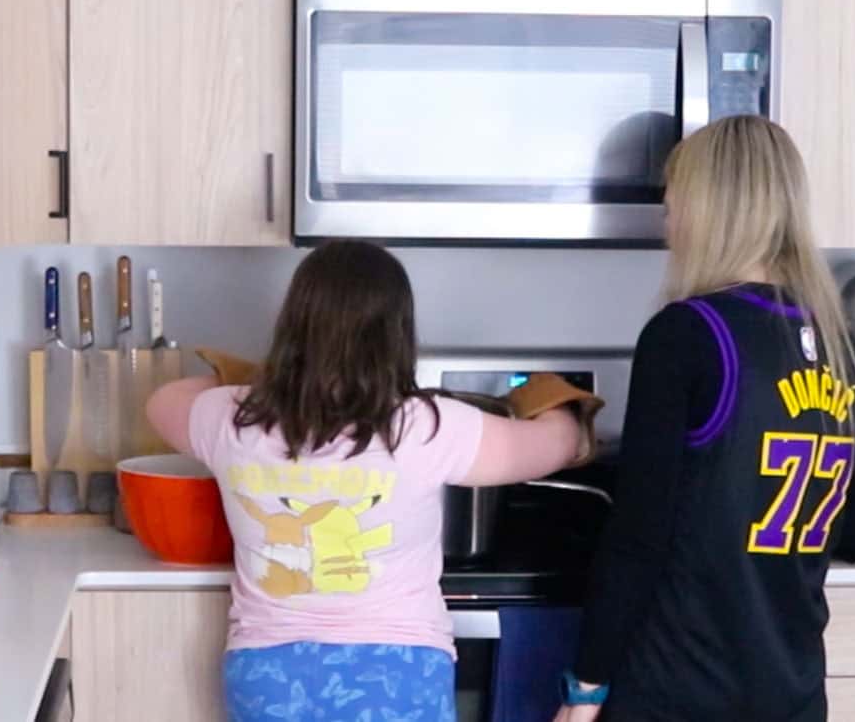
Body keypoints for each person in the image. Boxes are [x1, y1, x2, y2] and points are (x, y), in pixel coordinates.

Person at [146, 241, 590, 722]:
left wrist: (261, 384)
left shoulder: (232, 418)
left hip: (268, 672)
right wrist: (562, 405)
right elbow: (556, 446)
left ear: (294, 324)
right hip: (398, 669)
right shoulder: (426, 426)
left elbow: (162, 403)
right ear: (397, 335)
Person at [553, 116, 855, 722]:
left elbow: (638, 538)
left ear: (710, 213)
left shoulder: (688, 334)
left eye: (674, 206)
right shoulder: (839, 345)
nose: (669, 224)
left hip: (680, 689)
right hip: (791, 692)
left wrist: (587, 686)